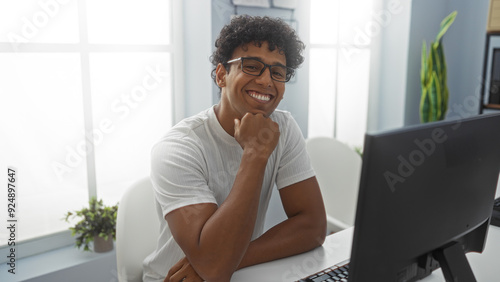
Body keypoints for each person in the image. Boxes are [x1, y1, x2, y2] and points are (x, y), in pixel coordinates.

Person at [143, 15, 327, 282]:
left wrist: (229, 259)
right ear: (221, 75)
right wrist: (255, 153)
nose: (266, 81)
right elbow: (215, 270)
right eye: (252, 66)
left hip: (237, 272)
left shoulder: (283, 127)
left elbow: (313, 227)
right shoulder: (178, 148)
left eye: (278, 72)